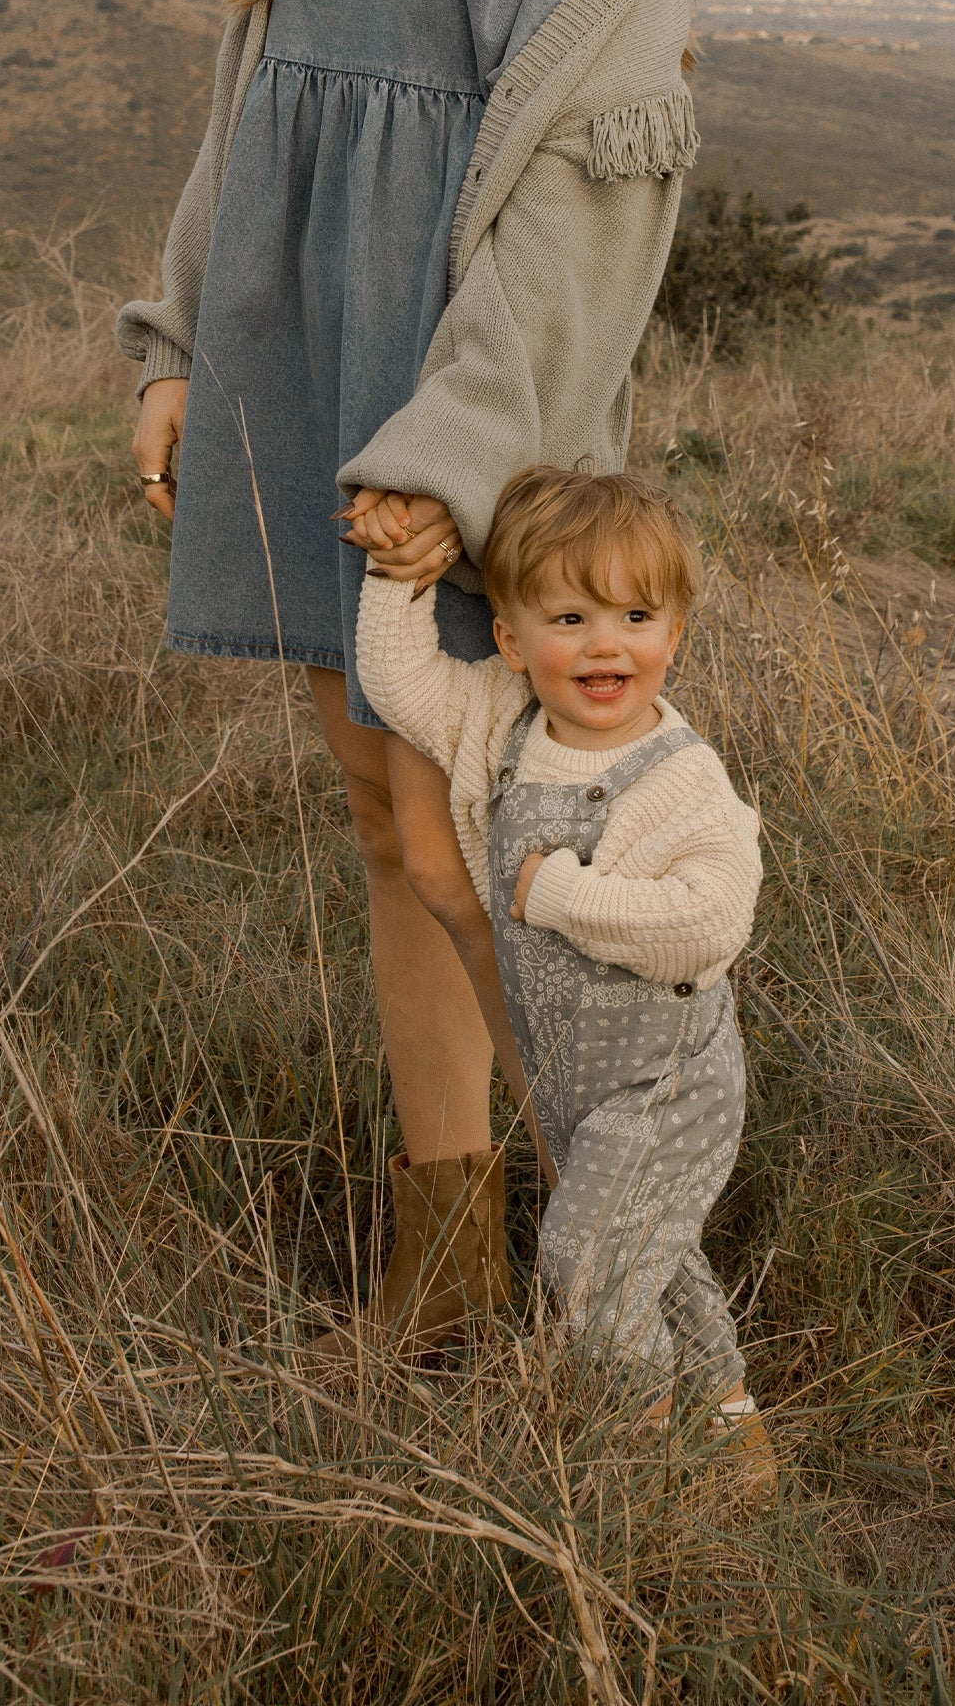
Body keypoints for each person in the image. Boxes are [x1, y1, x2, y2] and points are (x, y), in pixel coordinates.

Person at [120, 0, 707, 1342]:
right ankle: (439, 1269)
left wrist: (456, 450)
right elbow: (257, 114)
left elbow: (594, 177)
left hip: (457, 407)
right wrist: (182, 345)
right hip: (304, 376)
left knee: (492, 847)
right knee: (388, 820)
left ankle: (639, 1279)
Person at [357, 466, 771, 1486]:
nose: (603, 643)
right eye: (569, 615)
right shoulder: (504, 723)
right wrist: (395, 563)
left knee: (587, 1263)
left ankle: (629, 1459)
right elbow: (398, 681)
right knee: (655, 1263)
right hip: (578, 1081)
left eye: (636, 615)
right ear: (508, 640)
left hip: (667, 1086)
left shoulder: (679, 779)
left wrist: (560, 895)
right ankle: (729, 1437)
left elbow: (708, 923)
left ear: (672, 635)